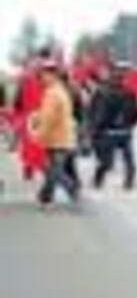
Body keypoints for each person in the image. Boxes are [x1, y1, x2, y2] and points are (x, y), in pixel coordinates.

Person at [35, 59, 80, 207]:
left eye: (43, 75)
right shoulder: (62, 90)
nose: (41, 78)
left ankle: (71, 188)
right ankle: (46, 196)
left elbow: (49, 118)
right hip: (64, 137)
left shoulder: (52, 93)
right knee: (53, 169)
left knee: (54, 170)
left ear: (52, 75)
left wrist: (39, 134)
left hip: (56, 138)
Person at [90, 64, 137, 190]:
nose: (119, 80)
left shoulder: (127, 93)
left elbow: (136, 111)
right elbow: (95, 111)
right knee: (115, 161)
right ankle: (102, 178)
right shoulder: (105, 92)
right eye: (118, 77)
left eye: (121, 77)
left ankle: (126, 182)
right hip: (115, 131)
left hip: (117, 131)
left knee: (123, 160)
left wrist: (96, 128)